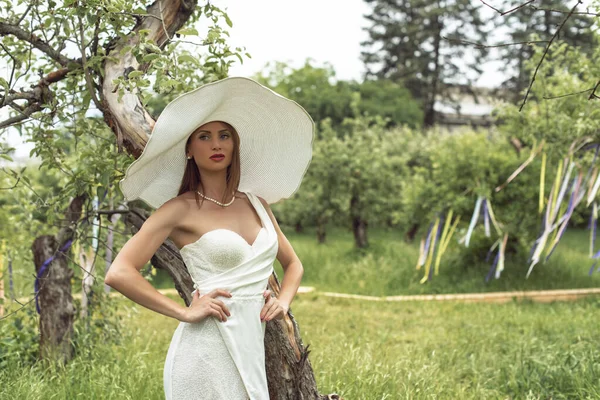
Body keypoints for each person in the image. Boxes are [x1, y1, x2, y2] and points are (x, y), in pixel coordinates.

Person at [104, 77, 315, 400]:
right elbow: (119, 272)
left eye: (224, 136)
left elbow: (293, 264)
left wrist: (283, 303)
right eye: (204, 137)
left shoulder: (257, 204)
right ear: (189, 149)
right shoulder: (178, 209)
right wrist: (185, 311)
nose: (216, 144)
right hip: (206, 350)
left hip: (250, 348)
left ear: (234, 145)